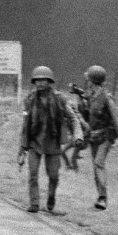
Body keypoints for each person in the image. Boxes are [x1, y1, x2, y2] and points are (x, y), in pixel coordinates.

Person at [17, 66, 84, 215]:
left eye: (43, 80)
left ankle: (51, 198)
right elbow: (25, 124)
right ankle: (34, 203)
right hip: (35, 142)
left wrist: (78, 135)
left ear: (49, 81)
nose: (40, 83)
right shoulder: (30, 100)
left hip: (53, 142)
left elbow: (73, 118)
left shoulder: (59, 99)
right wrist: (22, 147)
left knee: (53, 175)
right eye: (37, 80)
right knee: (32, 174)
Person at [76, 65, 118, 210]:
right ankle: (100, 195)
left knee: (99, 163)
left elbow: (115, 117)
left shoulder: (107, 97)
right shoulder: (90, 96)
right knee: (96, 165)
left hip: (106, 135)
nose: (87, 81)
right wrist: (80, 100)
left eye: (88, 79)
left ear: (92, 80)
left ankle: (103, 198)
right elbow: (86, 115)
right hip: (94, 136)